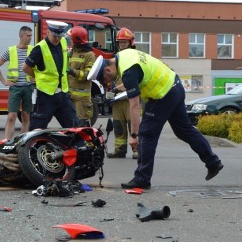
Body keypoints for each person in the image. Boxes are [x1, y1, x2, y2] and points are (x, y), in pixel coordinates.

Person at [89, 49, 224, 189]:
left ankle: (142, 179)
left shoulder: (128, 71)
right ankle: (213, 162)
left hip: (162, 95)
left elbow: (135, 106)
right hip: (174, 85)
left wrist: (134, 135)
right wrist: (117, 90)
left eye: (106, 79)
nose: (108, 81)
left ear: (107, 70)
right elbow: (137, 78)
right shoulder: (125, 55)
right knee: (184, 130)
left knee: (146, 134)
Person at [22, 20, 79, 129]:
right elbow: (25, 67)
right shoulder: (39, 48)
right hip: (46, 95)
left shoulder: (63, 42)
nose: (57, 39)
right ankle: (33, 146)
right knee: (37, 129)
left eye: (59, 36)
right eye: (54, 36)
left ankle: (76, 146)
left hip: (62, 94)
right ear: (48, 32)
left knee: (74, 126)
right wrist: (37, 77)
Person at [0, 26, 34, 140]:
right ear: (21, 36)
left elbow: (42, 67)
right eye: (28, 35)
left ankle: (23, 141)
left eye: (31, 35)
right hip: (15, 88)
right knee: (12, 116)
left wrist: (36, 78)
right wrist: (3, 81)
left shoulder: (33, 50)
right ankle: (7, 142)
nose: (30, 38)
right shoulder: (11, 51)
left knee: (26, 116)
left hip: (28, 88)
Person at [107, 27, 138, 159]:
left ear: (131, 43)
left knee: (133, 125)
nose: (122, 45)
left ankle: (137, 150)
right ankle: (120, 150)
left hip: (131, 97)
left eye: (124, 42)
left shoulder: (135, 58)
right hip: (117, 99)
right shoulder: (116, 58)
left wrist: (117, 88)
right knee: (118, 125)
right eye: (120, 43)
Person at [66, 26, 96, 126]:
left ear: (76, 39)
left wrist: (72, 71)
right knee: (71, 128)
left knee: (82, 127)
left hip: (82, 101)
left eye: (71, 38)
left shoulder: (89, 55)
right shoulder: (71, 53)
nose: (69, 40)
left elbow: (88, 75)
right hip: (70, 97)